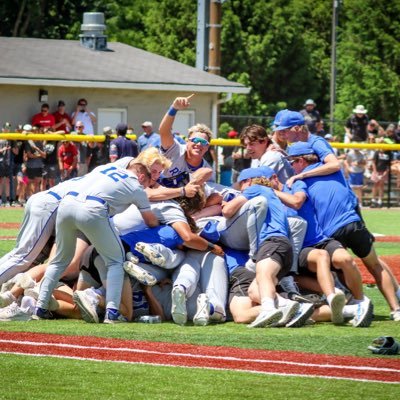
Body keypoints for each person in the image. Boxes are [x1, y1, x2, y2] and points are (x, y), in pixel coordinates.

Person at [283, 142, 400, 321]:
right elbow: (338, 174)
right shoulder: (332, 169)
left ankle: (356, 302)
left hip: (332, 232)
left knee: (338, 269)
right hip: (353, 223)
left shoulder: (300, 181)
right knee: (374, 265)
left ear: (300, 160)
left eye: (292, 162)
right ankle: (394, 309)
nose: (291, 166)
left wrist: (300, 176)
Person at [35, 162, 159, 323]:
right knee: (115, 261)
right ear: (142, 177)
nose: (145, 187)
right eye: (147, 184)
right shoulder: (136, 186)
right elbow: (150, 221)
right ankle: (113, 312)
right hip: (94, 209)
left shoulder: (103, 168)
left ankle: (41, 306)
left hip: (67, 204)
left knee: (59, 260)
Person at [158, 94, 214, 188]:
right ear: (187, 142)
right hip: (160, 193)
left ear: (207, 148)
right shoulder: (175, 150)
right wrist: (174, 108)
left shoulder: (207, 170)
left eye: (204, 142)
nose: (199, 144)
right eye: (195, 140)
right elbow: (164, 131)